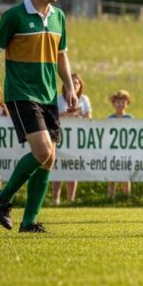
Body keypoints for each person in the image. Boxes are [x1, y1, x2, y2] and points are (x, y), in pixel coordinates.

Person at [0, 0, 78, 233]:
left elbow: (61, 55)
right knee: (43, 151)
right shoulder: (14, 15)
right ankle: (3, 197)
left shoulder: (59, 16)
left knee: (49, 158)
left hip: (47, 95)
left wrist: (69, 86)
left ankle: (29, 222)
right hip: (21, 93)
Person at [52, 72, 91, 204]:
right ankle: (55, 198)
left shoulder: (84, 100)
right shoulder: (59, 99)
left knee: (73, 168)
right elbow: (55, 116)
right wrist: (70, 113)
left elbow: (88, 118)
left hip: (76, 140)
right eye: (71, 82)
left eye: (77, 82)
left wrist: (80, 114)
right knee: (58, 168)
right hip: (61, 138)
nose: (74, 85)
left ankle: (70, 199)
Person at [106, 90, 132, 199]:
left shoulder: (130, 119)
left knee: (126, 177)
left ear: (127, 104)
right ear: (113, 104)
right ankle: (111, 197)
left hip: (126, 152)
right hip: (113, 152)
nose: (120, 105)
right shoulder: (110, 119)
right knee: (112, 177)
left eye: (123, 102)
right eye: (118, 102)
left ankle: (126, 197)